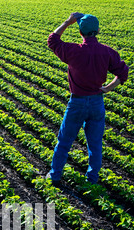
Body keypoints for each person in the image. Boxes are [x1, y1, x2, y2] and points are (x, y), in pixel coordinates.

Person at [46, 12, 129, 185]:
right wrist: (107, 88)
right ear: (97, 30)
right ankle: (92, 179)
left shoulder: (73, 51)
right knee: (95, 145)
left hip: (77, 103)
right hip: (97, 102)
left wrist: (68, 22)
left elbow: (53, 40)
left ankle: (54, 176)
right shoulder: (107, 52)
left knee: (64, 142)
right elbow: (122, 72)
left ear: (80, 32)